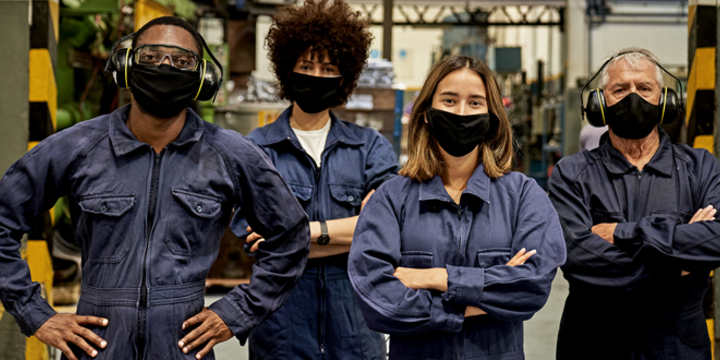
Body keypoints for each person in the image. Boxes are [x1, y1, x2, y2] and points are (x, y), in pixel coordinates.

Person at [0, 16, 310, 360]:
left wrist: (234, 314)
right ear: (125, 67)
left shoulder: (231, 154)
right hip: (96, 346)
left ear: (202, 78)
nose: (165, 67)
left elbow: (291, 237)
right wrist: (37, 315)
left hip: (183, 345)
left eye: (182, 61)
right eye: (150, 57)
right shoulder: (76, 147)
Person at [348, 54, 566, 360]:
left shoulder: (523, 196)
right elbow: (377, 301)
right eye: (449, 101)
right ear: (426, 113)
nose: (461, 112)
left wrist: (435, 278)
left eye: (475, 103)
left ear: (492, 116)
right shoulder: (391, 198)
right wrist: (485, 295)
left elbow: (531, 288)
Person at [231, 0, 400, 359]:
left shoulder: (370, 147)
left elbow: (386, 231)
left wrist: (299, 233)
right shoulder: (255, 148)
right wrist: (349, 232)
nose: (317, 76)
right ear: (286, 67)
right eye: (306, 65)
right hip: (281, 324)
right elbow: (257, 240)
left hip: (355, 324)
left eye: (328, 67)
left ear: (345, 76)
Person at [549, 48, 720, 359]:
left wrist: (622, 233)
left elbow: (717, 241)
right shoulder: (571, 174)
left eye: (644, 88)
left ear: (665, 100)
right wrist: (678, 264)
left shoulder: (700, 167)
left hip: (677, 345)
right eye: (620, 89)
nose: (633, 98)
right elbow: (577, 259)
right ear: (599, 104)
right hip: (593, 343)